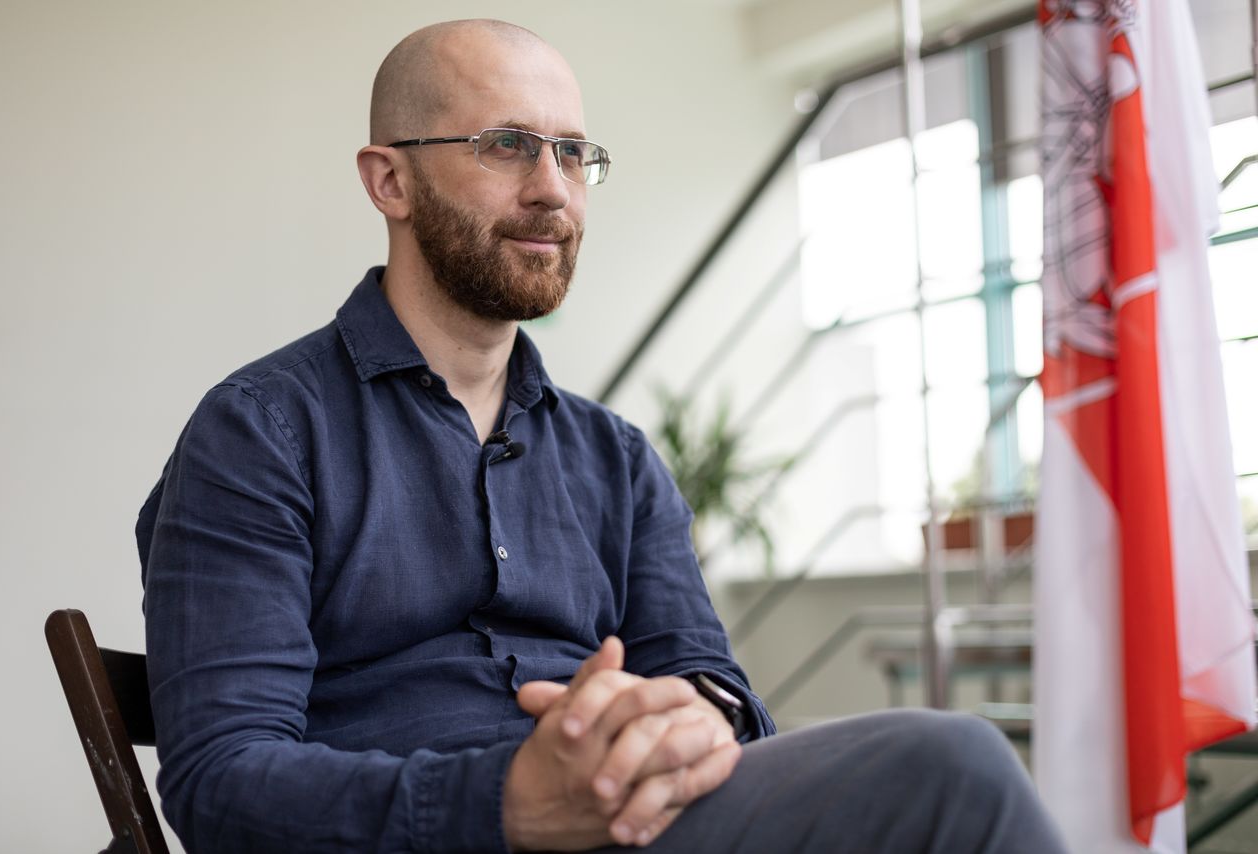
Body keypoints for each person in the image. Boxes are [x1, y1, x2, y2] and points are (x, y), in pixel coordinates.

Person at [138, 18, 1067, 854]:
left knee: (946, 768)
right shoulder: (260, 433)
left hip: (640, 823)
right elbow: (220, 783)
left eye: (574, 153)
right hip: (441, 838)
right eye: (506, 145)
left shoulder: (615, 459)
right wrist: (506, 800)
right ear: (391, 181)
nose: (553, 190)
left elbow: (705, 677)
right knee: (954, 767)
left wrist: (696, 720)